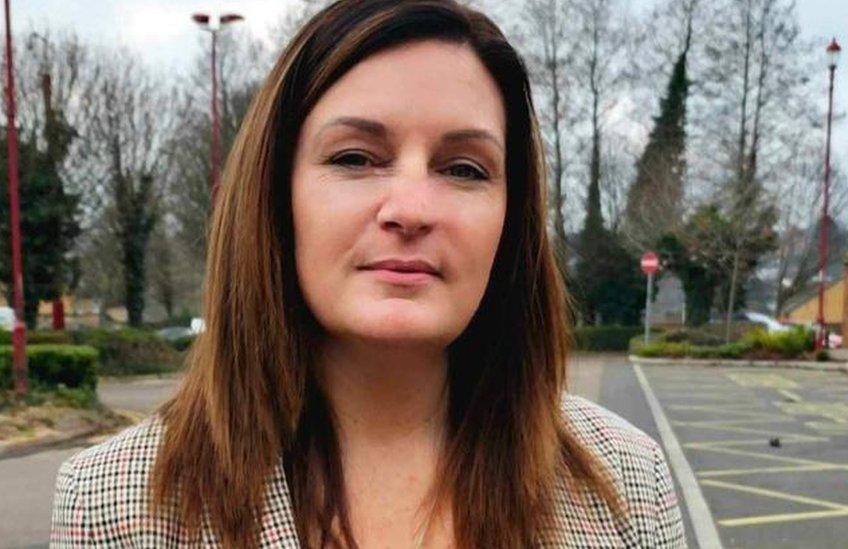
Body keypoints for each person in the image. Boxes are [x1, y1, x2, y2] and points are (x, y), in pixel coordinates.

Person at [50, 0, 686, 547]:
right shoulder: (116, 503)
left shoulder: (628, 481)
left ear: (510, 221)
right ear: (276, 196)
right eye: (355, 157)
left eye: (464, 169)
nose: (410, 209)